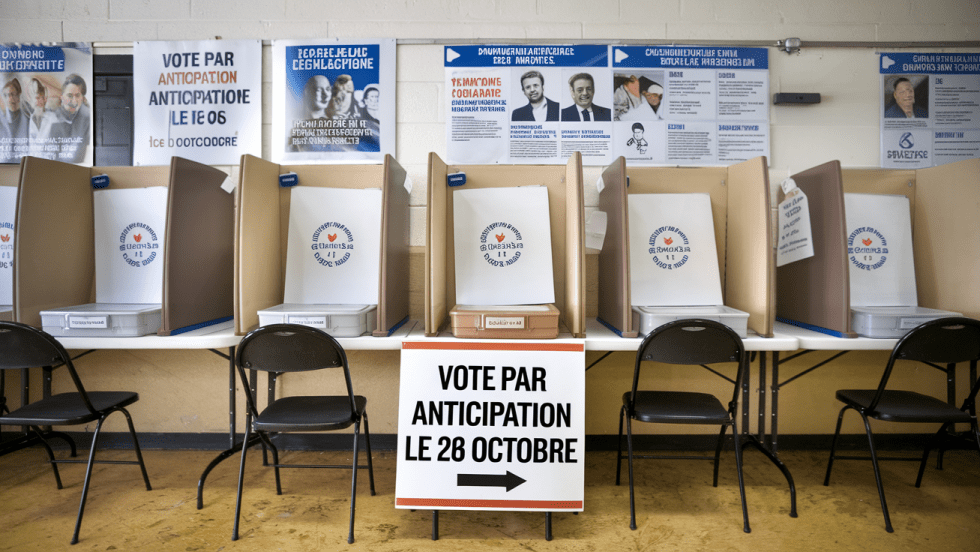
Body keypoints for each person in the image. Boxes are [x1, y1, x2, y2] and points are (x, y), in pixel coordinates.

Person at [43, 73, 90, 163]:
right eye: (70, 95)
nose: (74, 101)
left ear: (82, 98)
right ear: (62, 97)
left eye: (77, 95)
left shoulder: (86, 118)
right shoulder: (50, 118)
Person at [0, 77, 30, 163]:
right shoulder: (1, 121)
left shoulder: (28, 120)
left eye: (12, 94)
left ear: (18, 96)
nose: (10, 99)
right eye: (6, 95)